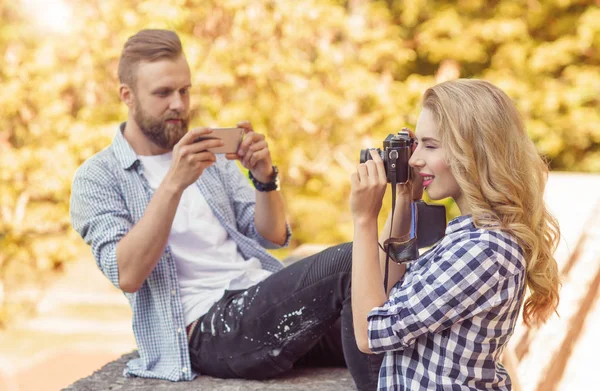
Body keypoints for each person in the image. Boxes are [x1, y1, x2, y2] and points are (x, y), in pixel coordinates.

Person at [70, 29, 384, 390]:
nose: (178, 104)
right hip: (206, 328)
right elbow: (127, 273)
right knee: (351, 260)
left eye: (184, 90)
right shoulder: (98, 177)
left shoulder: (210, 158)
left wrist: (264, 178)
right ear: (127, 95)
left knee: (382, 299)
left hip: (259, 301)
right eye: (163, 93)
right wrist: (174, 183)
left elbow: (272, 236)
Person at [349, 79, 561, 390]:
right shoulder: (467, 236)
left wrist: (364, 220)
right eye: (416, 144)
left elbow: (370, 333)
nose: (414, 159)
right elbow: (385, 288)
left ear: (475, 153)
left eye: (430, 145)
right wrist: (407, 198)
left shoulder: (485, 250)